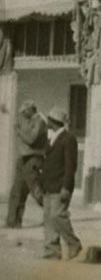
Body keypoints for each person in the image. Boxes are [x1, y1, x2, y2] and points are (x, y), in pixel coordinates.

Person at [39, 107, 82, 260]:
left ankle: (74, 243)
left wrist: (66, 187)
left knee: (57, 215)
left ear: (54, 121)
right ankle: (52, 251)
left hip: (60, 185)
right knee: (48, 218)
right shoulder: (51, 138)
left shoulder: (68, 138)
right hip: (48, 185)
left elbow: (71, 165)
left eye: (49, 120)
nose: (47, 122)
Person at [5, 100, 48, 228]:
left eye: (24, 112)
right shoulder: (30, 121)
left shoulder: (40, 121)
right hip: (23, 158)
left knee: (36, 190)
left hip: (33, 159)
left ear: (31, 109)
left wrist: (18, 131)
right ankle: (13, 222)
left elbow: (31, 139)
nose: (23, 115)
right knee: (17, 190)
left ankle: (53, 216)